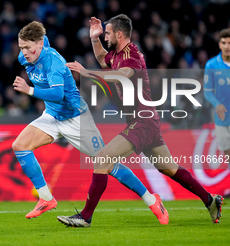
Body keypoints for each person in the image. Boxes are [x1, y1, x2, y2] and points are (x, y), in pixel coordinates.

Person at [57, 15, 224, 227]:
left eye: (107, 33)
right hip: (145, 121)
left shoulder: (132, 56)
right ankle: (210, 200)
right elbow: (102, 59)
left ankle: (85, 216)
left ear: (119, 34)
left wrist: (86, 72)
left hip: (142, 122)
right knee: (168, 168)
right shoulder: (117, 54)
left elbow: (120, 76)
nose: (105, 36)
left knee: (102, 159)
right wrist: (94, 38)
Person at [12, 21, 169, 222]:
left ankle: (152, 199)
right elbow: (40, 41)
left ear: (40, 44)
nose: (24, 52)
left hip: (76, 118)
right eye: (21, 47)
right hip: (53, 115)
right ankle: (46, 198)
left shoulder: (54, 62)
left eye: (27, 47)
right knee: (20, 145)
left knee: (106, 162)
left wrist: (29, 90)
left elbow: (58, 94)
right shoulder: (28, 55)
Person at [204, 28, 230, 172]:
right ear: (220, 44)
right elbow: (207, 92)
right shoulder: (212, 65)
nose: (227, 46)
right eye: (224, 43)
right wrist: (217, 103)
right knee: (228, 154)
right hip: (222, 118)